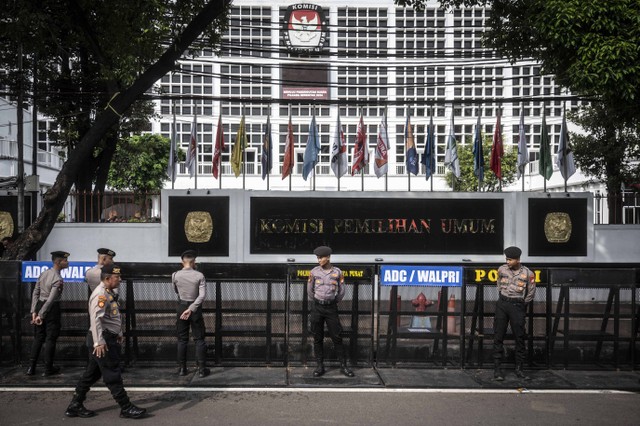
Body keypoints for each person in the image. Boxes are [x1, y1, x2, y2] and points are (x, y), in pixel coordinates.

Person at [65, 264, 147, 419]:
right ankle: (126, 407)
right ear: (108, 278)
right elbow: (96, 319)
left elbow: (112, 316)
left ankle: (75, 405)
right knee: (112, 373)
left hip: (107, 337)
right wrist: (99, 342)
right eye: (117, 277)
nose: (120, 279)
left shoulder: (108, 292)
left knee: (92, 374)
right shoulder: (101, 295)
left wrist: (118, 332)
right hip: (103, 340)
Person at [307, 245, 354, 378]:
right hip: (317, 307)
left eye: (321, 258)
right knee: (317, 337)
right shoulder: (314, 272)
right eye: (317, 258)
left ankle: (343, 366)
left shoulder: (337, 272)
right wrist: (319, 300)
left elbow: (342, 290)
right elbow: (310, 291)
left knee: (337, 337)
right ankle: (319, 366)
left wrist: (332, 301)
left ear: (327, 258)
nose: (319, 260)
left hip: (331, 308)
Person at [493, 246, 536, 381]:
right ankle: (497, 369)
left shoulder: (528, 273)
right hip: (503, 304)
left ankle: (519, 369)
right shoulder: (501, 269)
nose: (507, 262)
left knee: (520, 337)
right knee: (498, 336)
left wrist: (522, 304)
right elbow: (499, 283)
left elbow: (531, 292)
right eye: (506, 259)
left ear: (517, 260)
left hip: (517, 305)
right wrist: (503, 297)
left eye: (510, 260)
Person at [26, 250, 69, 376]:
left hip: (39, 305)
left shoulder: (44, 273)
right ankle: (48, 368)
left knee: (39, 337)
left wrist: (34, 311)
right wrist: (41, 315)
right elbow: (50, 300)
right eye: (65, 260)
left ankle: (31, 367)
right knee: (50, 338)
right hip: (50, 309)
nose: (67, 262)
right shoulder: (58, 278)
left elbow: (35, 292)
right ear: (59, 262)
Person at [172, 249, 210, 378]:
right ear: (193, 262)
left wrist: (186, 307)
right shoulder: (199, 275)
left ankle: (182, 368)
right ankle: (201, 369)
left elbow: (176, 291)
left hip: (181, 306)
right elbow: (202, 296)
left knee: (182, 339)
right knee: (199, 338)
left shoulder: (175, 275)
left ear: (182, 262)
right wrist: (192, 308)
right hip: (195, 309)